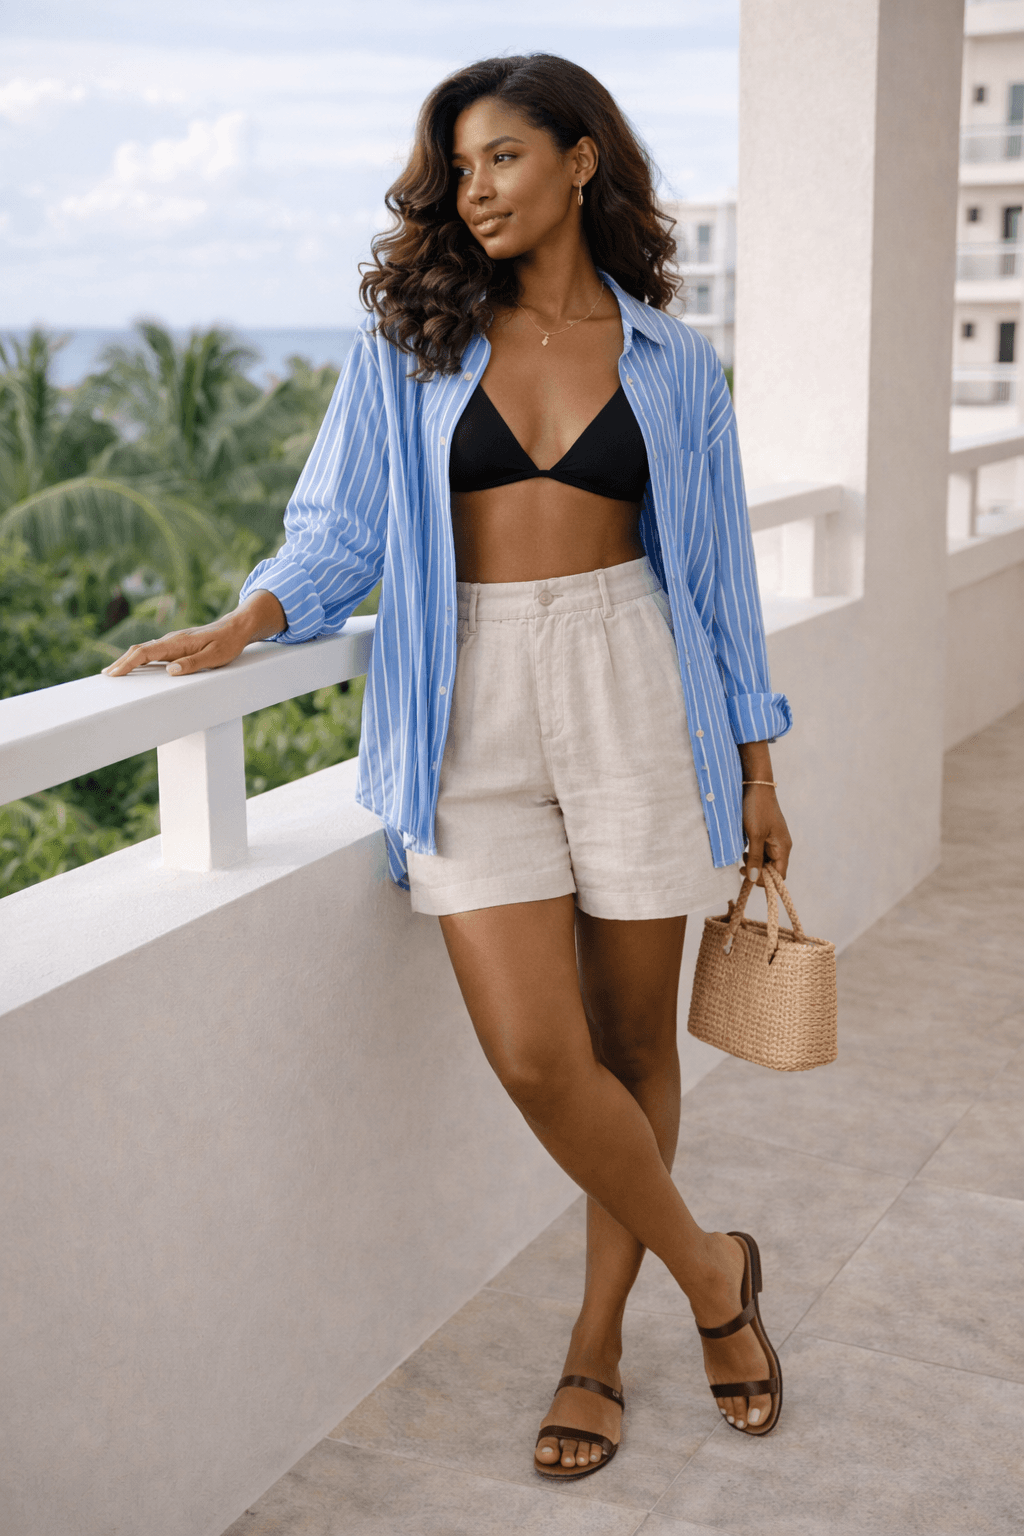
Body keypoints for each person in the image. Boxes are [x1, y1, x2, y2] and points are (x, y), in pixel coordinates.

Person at [103, 54, 793, 1478]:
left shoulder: (671, 360)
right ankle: (716, 1276)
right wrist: (254, 616)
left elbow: (718, 582)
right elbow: (341, 528)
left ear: (582, 159)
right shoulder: (409, 343)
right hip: (463, 703)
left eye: (501, 160)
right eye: (458, 169)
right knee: (542, 1057)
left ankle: (597, 1345)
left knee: (635, 1046)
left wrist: (762, 772)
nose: (473, 190)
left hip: (634, 687)